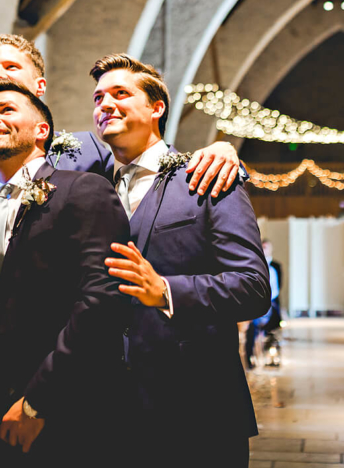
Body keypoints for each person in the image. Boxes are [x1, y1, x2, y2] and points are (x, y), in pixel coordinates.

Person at [0, 34, 244, 458]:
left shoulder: (83, 154)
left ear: (40, 90)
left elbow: (149, 152)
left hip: (145, 387)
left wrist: (223, 148)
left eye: (11, 70)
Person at [0, 79, 131, 466]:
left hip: (60, 410)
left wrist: (39, 401)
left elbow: (101, 300)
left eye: (6, 110)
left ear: (42, 131)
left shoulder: (82, 189)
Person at [89, 54, 271, 467]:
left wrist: (167, 290)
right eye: (98, 97)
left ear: (157, 108)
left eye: (120, 93)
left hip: (196, 410)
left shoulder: (208, 176)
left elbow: (254, 287)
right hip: (105, 414)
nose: (105, 104)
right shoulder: (89, 184)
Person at [245, 241, 282, 369]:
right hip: (256, 303)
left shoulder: (274, 267)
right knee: (253, 331)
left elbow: (277, 288)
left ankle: (269, 357)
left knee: (269, 332)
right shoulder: (253, 265)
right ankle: (251, 358)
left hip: (270, 303)